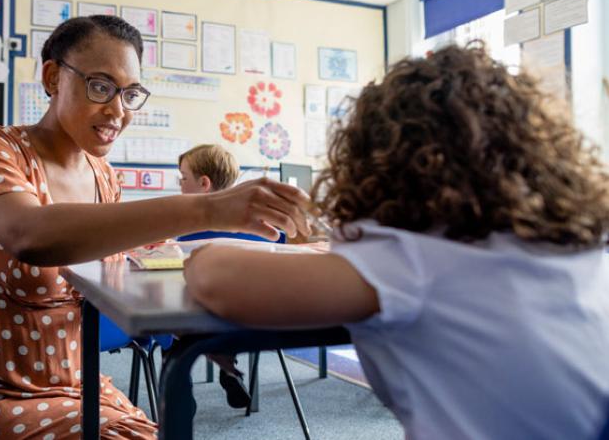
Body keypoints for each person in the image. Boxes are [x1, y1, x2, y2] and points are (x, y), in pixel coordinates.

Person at [184, 44, 609, 439]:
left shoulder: (410, 256)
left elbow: (215, 278)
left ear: (380, 159)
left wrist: (199, 250)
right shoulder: (572, 243)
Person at [0, 15, 310, 440]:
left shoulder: (103, 176)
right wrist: (207, 210)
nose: (118, 110)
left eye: (130, 94)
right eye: (101, 87)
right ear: (53, 76)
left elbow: (133, 261)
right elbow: (30, 235)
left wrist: (253, 257)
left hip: (82, 385)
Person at [175, 144, 255, 409]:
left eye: (183, 179)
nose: (180, 185)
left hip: (192, 318)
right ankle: (228, 369)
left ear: (204, 183)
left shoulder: (186, 225)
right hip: (248, 320)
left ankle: (179, 386)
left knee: (174, 330)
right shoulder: (252, 221)